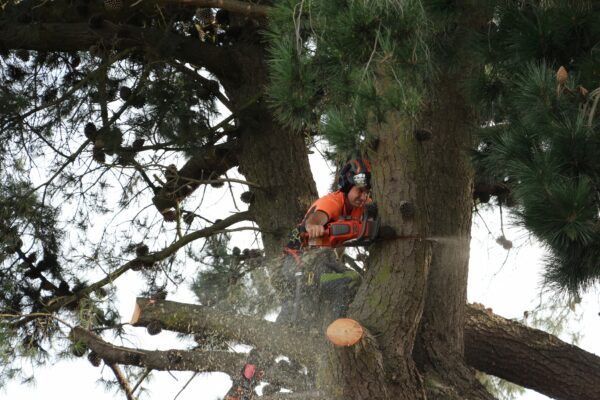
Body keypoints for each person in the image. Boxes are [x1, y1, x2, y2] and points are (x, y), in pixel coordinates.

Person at [274, 158, 373, 327]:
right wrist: (314, 227)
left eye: (367, 192)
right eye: (360, 191)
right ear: (348, 186)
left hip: (324, 260)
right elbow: (315, 218)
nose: (363, 196)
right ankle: (335, 334)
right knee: (345, 283)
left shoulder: (364, 205)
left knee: (355, 281)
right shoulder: (332, 202)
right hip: (299, 263)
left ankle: (330, 331)